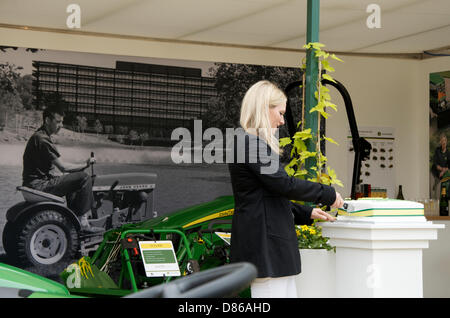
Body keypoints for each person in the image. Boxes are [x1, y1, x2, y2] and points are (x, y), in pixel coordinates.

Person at [227, 80, 344, 298]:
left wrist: (305, 212)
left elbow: (269, 194)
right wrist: (327, 193)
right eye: (280, 113)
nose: (282, 121)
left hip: (269, 246)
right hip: (266, 247)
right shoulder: (250, 144)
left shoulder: (250, 143)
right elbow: (284, 184)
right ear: (264, 108)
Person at [22, 102, 103, 233]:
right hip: (38, 185)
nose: (61, 125)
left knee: (71, 180)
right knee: (84, 178)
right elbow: (63, 167)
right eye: (58, 122)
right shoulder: (42, 139)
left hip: (33, 183)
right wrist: (86, 164)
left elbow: (52, 170)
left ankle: (72, 219)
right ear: (47, 120)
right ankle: (82, 221)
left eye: (62, 122)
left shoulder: (39, 136)